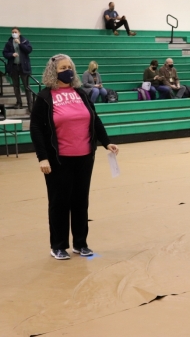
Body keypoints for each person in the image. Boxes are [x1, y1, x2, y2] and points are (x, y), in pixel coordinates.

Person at [30, 54, 119, 260]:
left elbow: (94, 119)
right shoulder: (45, 96)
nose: (67, 70)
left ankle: (81, 243)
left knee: (80, 201)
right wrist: (42, 157)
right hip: (58, 159)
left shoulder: (81, 93)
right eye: (63, 67)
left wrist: (106, 142)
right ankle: (58, 245)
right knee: (59, 202)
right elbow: (35, 128)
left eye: (69, 67)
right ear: (53, 71)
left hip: (85, 156)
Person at [2, 27, 33, 112]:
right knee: (16, 86)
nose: (14, 33)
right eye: (12, 32)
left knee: (27, 87)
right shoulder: (9, 43)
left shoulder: (25, 41)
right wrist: (12, 54)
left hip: (23, 67)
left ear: (19, 33)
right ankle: (19, 103)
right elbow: (4, 53)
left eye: (15, 32)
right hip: (14, 67)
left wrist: (20, 44)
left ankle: (30, 105)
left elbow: (29, 50)